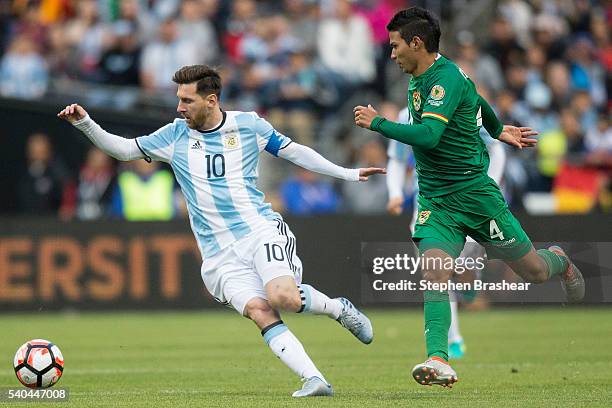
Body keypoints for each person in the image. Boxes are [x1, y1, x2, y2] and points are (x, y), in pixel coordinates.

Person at [58, 64, 384, 398]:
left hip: (259, 230)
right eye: (179, 100)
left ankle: (338, 309)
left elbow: (296, 152)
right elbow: (123, 149)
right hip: (218, 255)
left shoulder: (248, 125)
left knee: (282, 296)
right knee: (260, 310)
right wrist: (84, 123)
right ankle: (314, 380)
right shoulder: (173, 135)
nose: (179, 108)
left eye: (187, 100)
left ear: (211, 100)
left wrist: (347, 173)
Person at [354, 7, 585, 388]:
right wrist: (497, 129)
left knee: (534, 271)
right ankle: (438, 358)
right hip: (436, 200)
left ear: (416, 43)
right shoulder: (422, 75)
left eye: (395, 46)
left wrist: (377, 123)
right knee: (434, 272)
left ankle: (559, 260)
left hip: (476, 196)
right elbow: (477, 100)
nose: (391, 54)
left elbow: (429, 136)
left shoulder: (443, 80)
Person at [386, 107, 508, 359]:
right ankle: (453, 339)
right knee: (436, 273)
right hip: (428, 208)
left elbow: (497, 149)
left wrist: (490, 184)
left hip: (469, 201)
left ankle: (469, 277)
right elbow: (397, 160)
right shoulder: (404, 116)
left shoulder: (463, 107)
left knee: (462, 268)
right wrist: (395, 193)